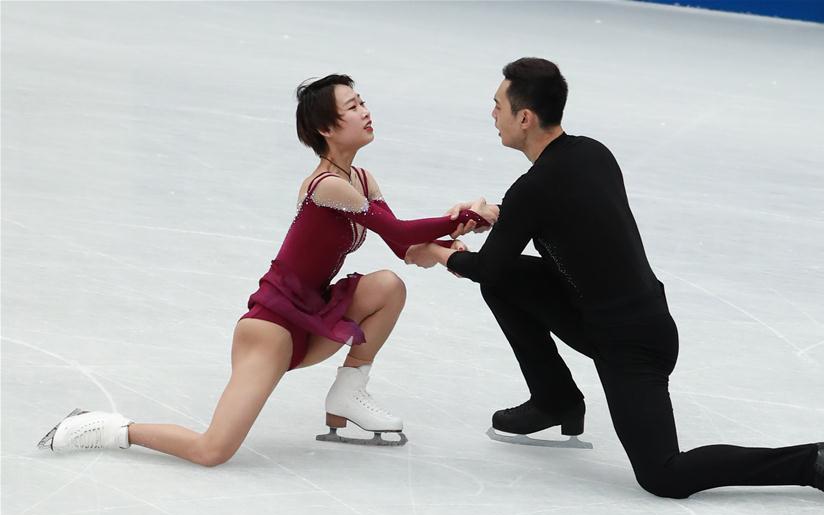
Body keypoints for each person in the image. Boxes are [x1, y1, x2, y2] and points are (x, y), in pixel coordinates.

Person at [405, 58, 824, 507]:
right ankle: (555, 400)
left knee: (663, 474)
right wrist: (497, 218)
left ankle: (814, 461)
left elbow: (492, 261)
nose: (492, 114)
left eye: (498, 106)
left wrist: (439, 254)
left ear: (524, 117)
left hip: (632, 344)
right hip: (622, 315)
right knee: (503, 282)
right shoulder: (592, 153)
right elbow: (567, 222)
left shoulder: (535, 188)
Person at [38, 74, 495, 463]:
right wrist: (467, 218)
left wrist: (445, 250)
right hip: (272, 327)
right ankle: (106, 427)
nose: (365, 111)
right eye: (353, 106)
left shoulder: (362, 179)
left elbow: (401, 247)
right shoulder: (328, 185)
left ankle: (348, 393)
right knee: (212, 450)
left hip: (315, 314)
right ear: (326, 128)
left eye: (362, 102)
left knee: (388, 286)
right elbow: (397, 230)